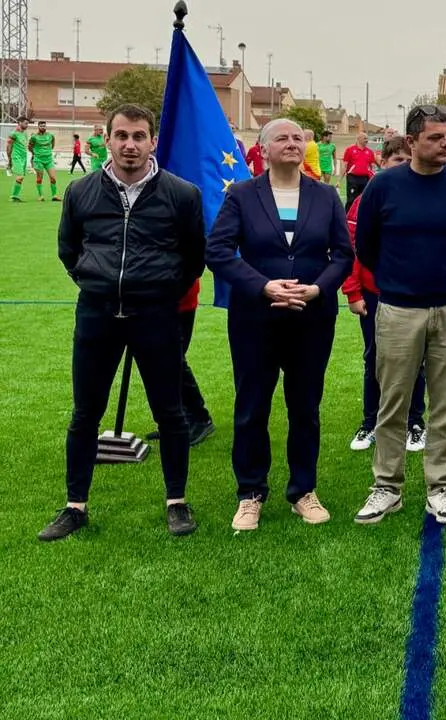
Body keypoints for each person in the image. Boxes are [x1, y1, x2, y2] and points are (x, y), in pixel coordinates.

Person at [41, 103, 206, 541]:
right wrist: (96, 283)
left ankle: (176, 501)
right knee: (85, 413)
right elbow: (69, 250)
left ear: (153, 141)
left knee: (170, 413)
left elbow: (193, 258)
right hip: (96, 316)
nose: (129, 145)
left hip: (156, 316)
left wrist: (159, 289)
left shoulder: (182, 194)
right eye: (121, 136)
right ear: (107, 139)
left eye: (138, 136)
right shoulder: (81, 191)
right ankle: (75, 506)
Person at [206, 118, 354, 532]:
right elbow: (218, 251)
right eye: (282, 138)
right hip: (256, 319)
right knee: (251, 408)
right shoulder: (241, 195)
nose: (292, 143)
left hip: (311, 319)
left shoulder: (325, 195)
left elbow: (344, 254)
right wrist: (264, 286)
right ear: (263, 149)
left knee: (305, 408)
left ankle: (303, 491)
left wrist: (318, 289)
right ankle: (250, 493)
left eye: (298, 138)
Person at [353, 105, 446, 526]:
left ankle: (441, 488)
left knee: (445, 406)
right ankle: (387, 487)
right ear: (411, 142)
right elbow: (366, 247)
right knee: (392, 403)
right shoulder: (382, 186)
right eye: (435, 137)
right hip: (397, 310)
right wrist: (400, 281)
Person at [341, 135, 429, 454]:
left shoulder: (425, 197)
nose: (403, 166)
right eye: (397, 160)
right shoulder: (366, 200)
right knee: (376, 358)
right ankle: (371, 421)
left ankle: (414, 422)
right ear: (383, 162)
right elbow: (349, 249)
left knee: (416, 359)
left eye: (408, 160)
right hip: (375, 293)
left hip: (417, 295)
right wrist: (352, 292)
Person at [143, 277, 216, 446]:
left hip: (178, 299)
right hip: (155, 299)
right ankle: (179, 420)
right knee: (161, 363)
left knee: (173, 361)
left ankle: (199, 418)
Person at [342, 132, 378, 209]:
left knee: (363, 199)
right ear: (358, 139)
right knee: (351, 199)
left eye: (367, 138)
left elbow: (372, 166)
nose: (367, 140)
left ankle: (360, 214)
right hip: (352, 178)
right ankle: (348, 215)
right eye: (365, 138)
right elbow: (345, 165)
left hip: (365, 178)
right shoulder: (350, 150)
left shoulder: (370, 152)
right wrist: (340, 178)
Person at [28, 120, 60, 201]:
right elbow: (29, 147)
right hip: (38, 160)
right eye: (41, 126)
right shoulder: (34, 137)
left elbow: (53, 143)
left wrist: (48, 151)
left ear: (46, 127)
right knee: (39, 178)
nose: (43, 127)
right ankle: (41, 195)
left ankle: (54, 196)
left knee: (53, 178)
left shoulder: (50, 136)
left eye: (44, 126)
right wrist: (35, 153)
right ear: (38, 127)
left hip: (49, 160)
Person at [7, 116, 29, 201]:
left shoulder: (25, 133)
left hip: (24, 157)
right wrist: (9, 159)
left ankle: (15, 196)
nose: (27, 125)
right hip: (16, 157)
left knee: (21, 177)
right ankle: (13, 196)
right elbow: (8, 146)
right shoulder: (13, 134)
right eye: (25, 123)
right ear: (20, 123)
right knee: (20, 176)